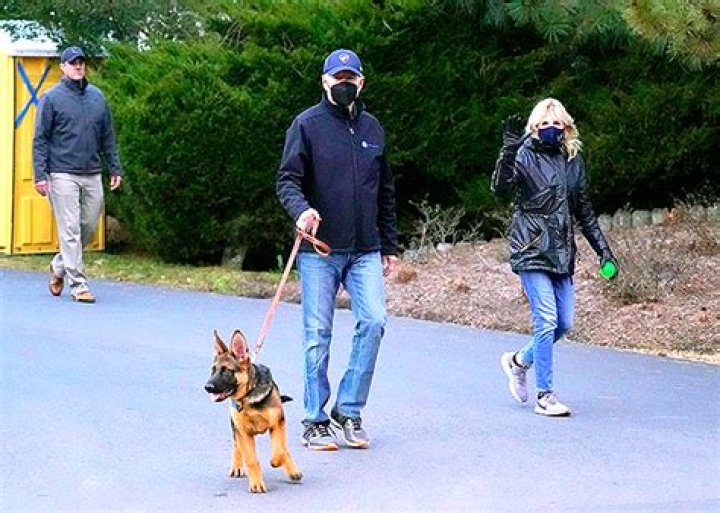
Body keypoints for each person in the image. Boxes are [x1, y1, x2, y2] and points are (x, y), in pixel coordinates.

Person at [277, 49, 399, 450]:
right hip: (320, 250)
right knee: (318, 334)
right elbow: (287, 181)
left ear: (361, 82)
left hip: (365, 248)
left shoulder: (373, 128)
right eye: (338, 78)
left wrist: (389, 244)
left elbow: (385, 189)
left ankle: (348, 409)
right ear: (325, 81)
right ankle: (314, 420)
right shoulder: (306, 125)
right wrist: (302, 210)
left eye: (351, 78)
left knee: (374, 321)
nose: (344, 84)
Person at [491, 98, 617, 417]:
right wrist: (507, 153)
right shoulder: (523, 153)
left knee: (563, 323)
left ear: (566, 127)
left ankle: (518, 362)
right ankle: (545, 395)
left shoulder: (573, 160)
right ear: (534, 128)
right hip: (531, 247)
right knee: (546, 319)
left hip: (561, 252)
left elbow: (584, 211)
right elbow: (501, 190)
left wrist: (604, 251)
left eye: (556, 124)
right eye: (544, 124)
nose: (550, 128)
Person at [33, 46, 123, 304]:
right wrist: (40, 175)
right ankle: (78, 285)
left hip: (92, 171)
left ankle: (59, 265)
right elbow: (40, 139)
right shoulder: (51, 98)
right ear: (63, 67)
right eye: (73, 63)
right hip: (62, 173)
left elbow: (107, 136)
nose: (78, 66)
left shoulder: (97, 97)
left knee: (89, 226)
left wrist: (114, 167)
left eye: (81, 62)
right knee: (70, 228)